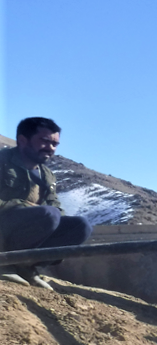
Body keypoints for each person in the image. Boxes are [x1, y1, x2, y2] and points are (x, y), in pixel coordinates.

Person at [0, 117, 92, 290]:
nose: (51, 148)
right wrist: (25, 207)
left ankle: (25, 266)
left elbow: (54, 205)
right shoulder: (2, 161)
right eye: (44, 141)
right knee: (49, 214)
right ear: (22, 140)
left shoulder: (46, 174)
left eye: (55, 144)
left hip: (28, 224)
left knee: (81, 225)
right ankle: (4, 263)